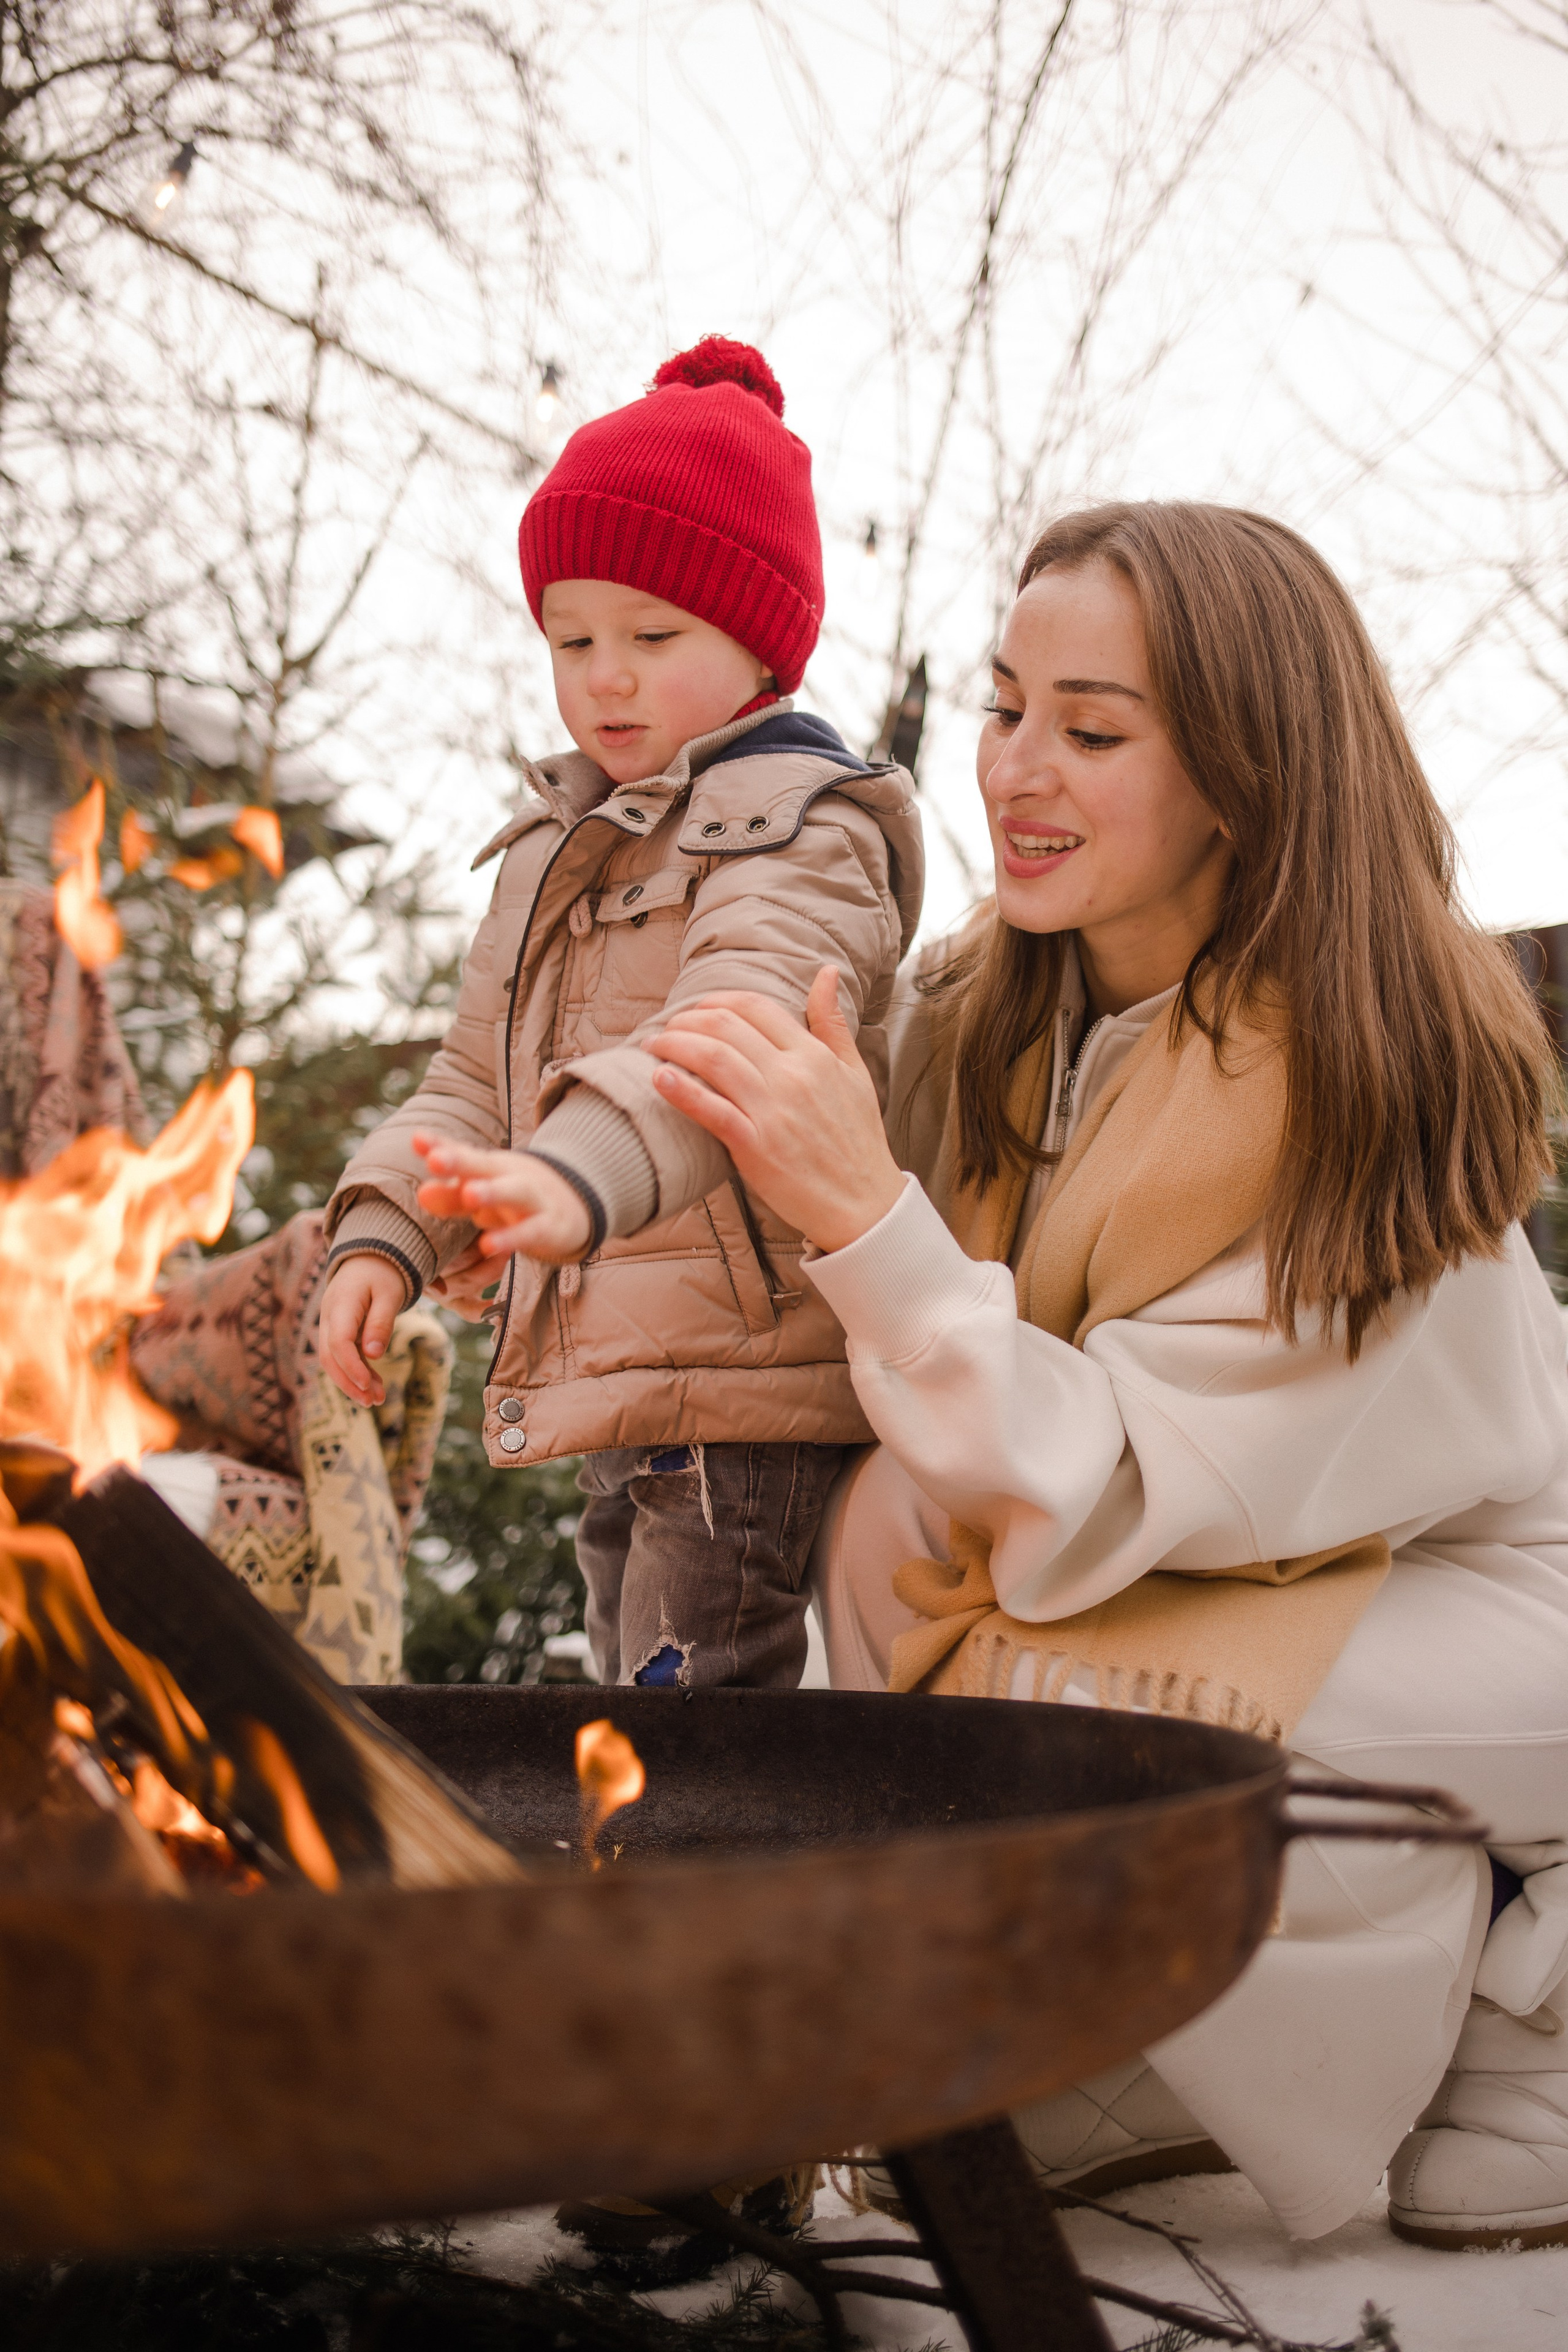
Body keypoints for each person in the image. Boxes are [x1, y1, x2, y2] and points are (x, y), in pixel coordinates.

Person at [641, 500, 1568, 2250]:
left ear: (1240, 768)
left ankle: (1534, 1993)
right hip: (1232, 1578)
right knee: (894, 1562)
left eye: (1093, 728)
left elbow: (1112, 1487)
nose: (1015, 770)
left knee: (1062, 1721)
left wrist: (869, 1217)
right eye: (1005, 708)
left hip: (1497, 1608)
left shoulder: (1373, 1063)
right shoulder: (1002, 1014)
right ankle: (1201, 2050)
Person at [317, 337, 922, 1694]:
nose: (603, 678)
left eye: (653, 638)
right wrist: (384, 1234)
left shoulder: (800, 835)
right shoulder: (557, 848)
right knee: (627, 1704)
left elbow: (728, 1037)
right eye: (570, 639)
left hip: (743, 1382)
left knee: (688, 1717)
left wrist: (568, 1180)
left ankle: (692, 1907)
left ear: (758, 642)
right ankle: (639, 1891)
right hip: (624, 1375)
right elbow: (470, 1080)